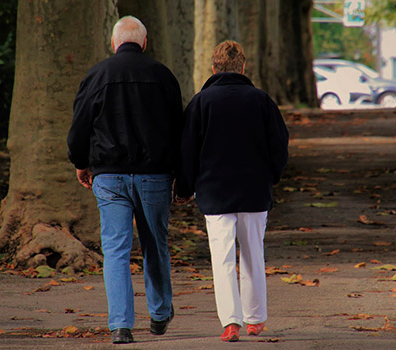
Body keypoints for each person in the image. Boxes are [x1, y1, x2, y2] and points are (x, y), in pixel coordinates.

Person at [67, 16, 183, 344]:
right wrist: (182, 175)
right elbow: (179, 131)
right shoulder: (163, 76)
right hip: (154, 176)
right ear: (144, 42)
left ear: (115, 43)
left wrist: (81, 162)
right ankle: (160, 313)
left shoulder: (98, 74)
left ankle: (120, 325)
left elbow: (79, 126)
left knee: (116, 249)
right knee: (154, 244)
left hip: (109, 175)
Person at [176, 40, 289, 342]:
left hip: (214, 193)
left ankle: (231, 321)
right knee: (254, 254)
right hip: (254, 191)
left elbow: (187, 150)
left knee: (222, 259)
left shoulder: (201, 103)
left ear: (213, 68)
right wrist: (271, 177)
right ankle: (255, 318)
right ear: (243, 67)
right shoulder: (262, 101)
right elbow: (279, 146)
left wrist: (186, 187)